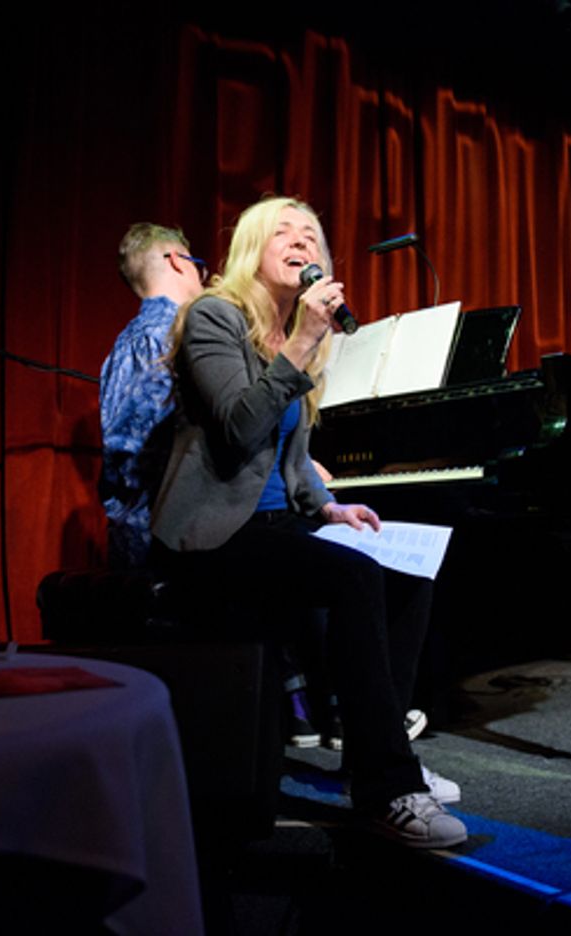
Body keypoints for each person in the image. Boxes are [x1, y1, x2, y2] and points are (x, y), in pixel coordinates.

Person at [150, 195, 466, 848]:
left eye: (313, 236)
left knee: (408, 569)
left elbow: (287, 456)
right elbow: (240, 430)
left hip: (276, 529)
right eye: (284, 233)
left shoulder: (295, 339)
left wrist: (326, 506)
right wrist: (301, 343)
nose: (302, 243)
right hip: (213, 539)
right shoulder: (214, 318)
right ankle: (388, 792)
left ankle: (374, 755)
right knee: (351, 578)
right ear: (251, 249)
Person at [99, 223, 207, 570]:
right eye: (197, 265)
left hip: (133, 534)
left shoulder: (123, 342)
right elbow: (147, 450)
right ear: (177, 260)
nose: (202, 277)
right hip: (168, 542)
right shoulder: (172, 335)